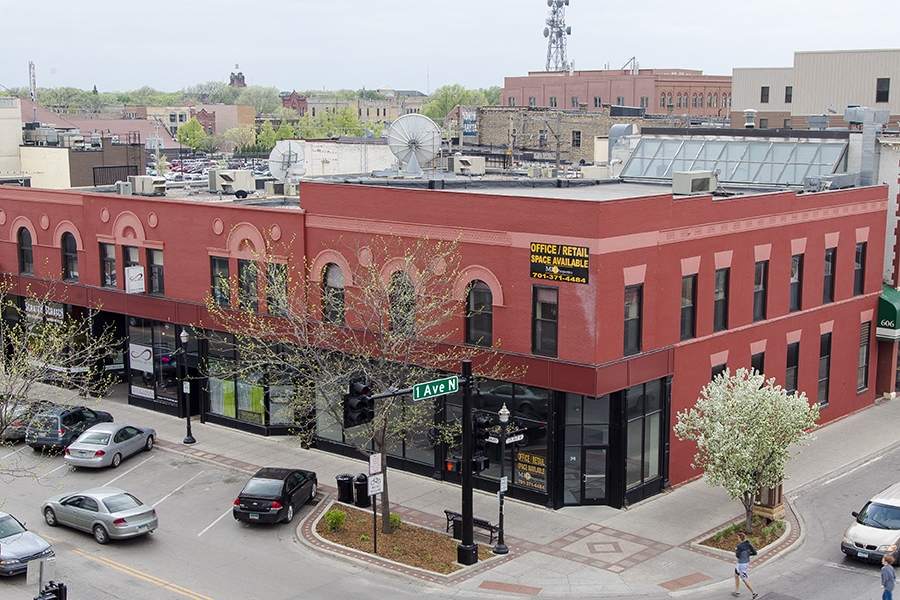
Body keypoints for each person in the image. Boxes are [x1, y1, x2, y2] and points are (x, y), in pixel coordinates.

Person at [733, 532, 758, 598]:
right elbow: (755, 553)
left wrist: (736, 550)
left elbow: (737, 556)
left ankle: (753, 592)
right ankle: (737, 591)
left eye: (738, 538)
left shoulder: (739, 546)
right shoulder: (748, 544)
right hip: (745, 562)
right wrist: (747, 554)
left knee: (744, 578)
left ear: (740, 539)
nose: (737, 539)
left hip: (741, 564)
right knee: (736, 575)